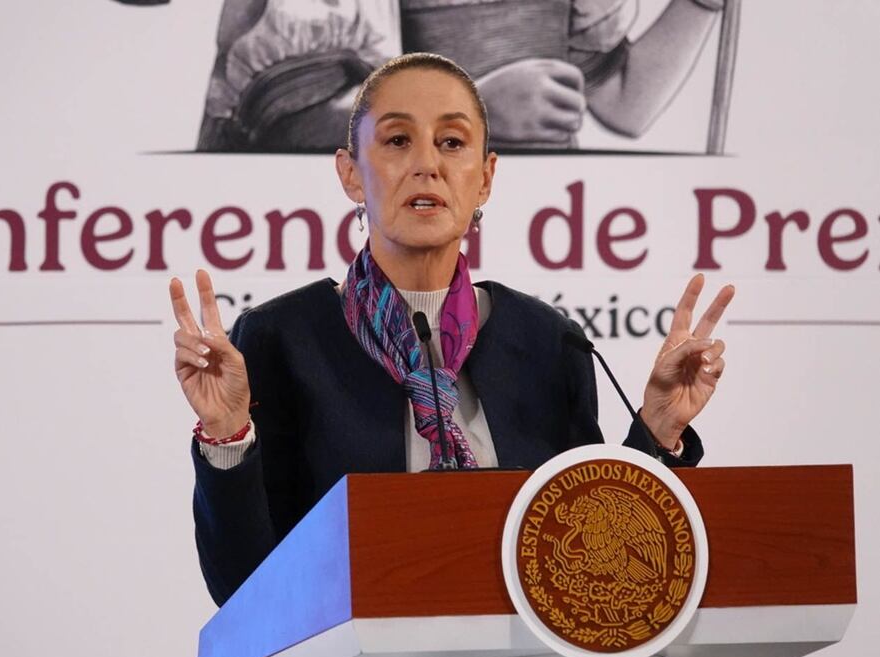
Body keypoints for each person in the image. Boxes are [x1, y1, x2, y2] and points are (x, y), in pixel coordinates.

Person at [172, 53, 734, 606]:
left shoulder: (546, 340)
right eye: (397, 141)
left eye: (452, 143)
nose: (427, 166)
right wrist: (226, 435)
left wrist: (657, 431)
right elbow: (242, 590)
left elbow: (595, 551)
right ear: (349, 173)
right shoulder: (281, 339)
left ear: (486, 177)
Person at [197, 0, 726, 152]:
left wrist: (700, 5)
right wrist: (472, 111)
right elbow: (287, 129)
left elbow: (622, 103)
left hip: (536, 240)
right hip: (375, 258)